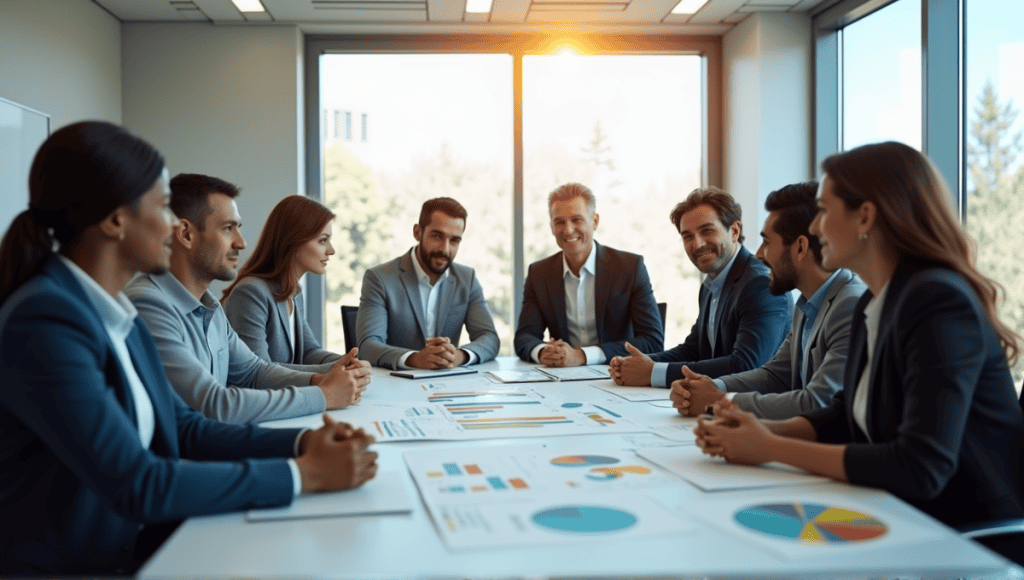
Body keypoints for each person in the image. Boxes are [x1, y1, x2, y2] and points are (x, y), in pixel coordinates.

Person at [0, 121, 377, 576]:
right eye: (161, 207)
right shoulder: (45, 322)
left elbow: (187, 429)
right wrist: (306, 474)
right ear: (115, 219)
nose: (172, 226)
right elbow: (140, 482)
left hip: (140, 545)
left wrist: (304, 441)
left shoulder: (116, 311)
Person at [695, 141, 1024, 528]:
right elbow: (845, 413)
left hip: (969, 535)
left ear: (865, 217)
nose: (815, 228)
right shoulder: (877, 298)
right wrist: (761, 430)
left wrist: (772, 447)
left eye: (823, 211)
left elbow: (921, 466)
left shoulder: (938, 301)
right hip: (899, 514)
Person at [125, 174, 371, 424]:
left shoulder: (209, 306)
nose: (241, 243)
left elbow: (255, 371)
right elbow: (212, 405)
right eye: (227, 228)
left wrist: (323, 379)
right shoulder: (148, 304)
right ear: (187, 234)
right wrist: (324, 394)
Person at [670, 182, 866, 419]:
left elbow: (818, 401)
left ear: (801, 247)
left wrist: (720, 401)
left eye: (767, 242)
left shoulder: (851, 305)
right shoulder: (807, 303)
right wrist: (714, 387)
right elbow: (774, 375)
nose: (760, 254)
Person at [610, 187, 791, 386]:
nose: (697, 244)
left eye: (707, 231)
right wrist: (640, 364)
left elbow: (746, 365)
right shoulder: (711, 285)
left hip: (757, 410)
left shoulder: (761, 284)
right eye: (688, 236)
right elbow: (694, 349)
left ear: (734, 231)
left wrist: (654, 372)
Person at [514, 182, 664, 367]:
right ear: (552, 227)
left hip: (616, 375)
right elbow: (524, 336)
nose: (568, 230)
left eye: (576, 220)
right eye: (559, 222)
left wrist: (582, 356)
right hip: (561, 378)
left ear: (594, 221)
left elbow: (653, 341)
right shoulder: (539, 273)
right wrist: (543, 351)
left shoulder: (630, 268)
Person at [356, 197, 499, 370]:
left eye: (454, 240)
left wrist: (458, 356)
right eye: (437, 236)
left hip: (448, 384)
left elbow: (489, 338)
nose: (445, 249)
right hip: (397, 385)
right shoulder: (379, 278)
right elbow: (368, 346)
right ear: (417, 232)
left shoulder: (466, 279)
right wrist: (415, 359)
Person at [222, 195, 346, 367]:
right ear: (293, 243)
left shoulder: (294, 292)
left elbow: (309, 352)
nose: (331, 250)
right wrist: (334, 371)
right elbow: (259, 370)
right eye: (323, 240)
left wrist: (349, 362)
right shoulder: (251, 293)